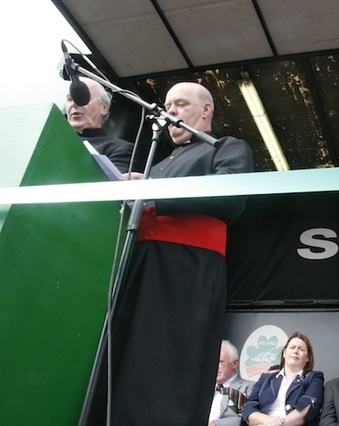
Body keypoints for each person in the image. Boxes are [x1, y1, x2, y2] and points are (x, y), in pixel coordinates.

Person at [87, 81, 254, 425]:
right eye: (167, 105)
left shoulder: (226, 146)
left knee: (168, 365)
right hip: (144, 263)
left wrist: (154, 192)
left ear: (206, 110)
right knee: (128, 357)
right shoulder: (159, 162)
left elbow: (232, 196)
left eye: (180, 103)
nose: (171, 111)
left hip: (186, 266)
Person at [242, 332, 324, 426]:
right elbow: (249, 409)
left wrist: (277, 425)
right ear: (284, 353)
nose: (295, 351)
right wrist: (267, 421)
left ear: (308, 358)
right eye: (292, 347)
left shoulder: (314, 378)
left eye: (301, 349)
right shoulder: (265, 378)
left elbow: (307, 408)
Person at [65, 76, 134, 173]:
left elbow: (114, 185)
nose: (74, 104)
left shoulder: (119, 148)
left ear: (104, 107)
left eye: (81, 98)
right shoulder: (51, 139)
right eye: (70, 99)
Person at [209, 340, 255, 426]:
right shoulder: (202, 391)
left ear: (235, 363)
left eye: (220, 361)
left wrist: (216, 424)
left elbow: (249, 417)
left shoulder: (249, 387)